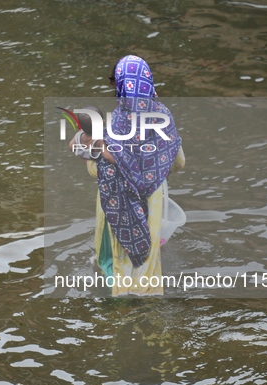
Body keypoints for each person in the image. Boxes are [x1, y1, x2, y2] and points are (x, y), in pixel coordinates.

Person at [73, 55, 185, 296]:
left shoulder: (115, 127)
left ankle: (119, 309)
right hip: (154, 198)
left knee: (120, 257)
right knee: (148, 260)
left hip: (117, 202)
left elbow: (96, 167)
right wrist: (155, 170)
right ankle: (148, 299)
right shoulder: (164, 118)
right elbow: (179, 162)